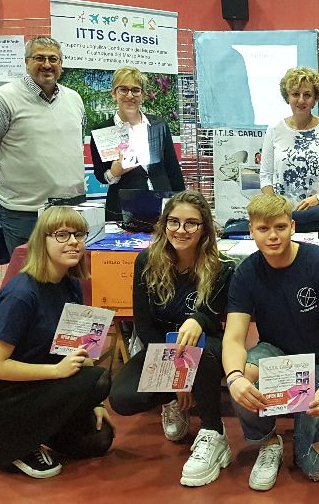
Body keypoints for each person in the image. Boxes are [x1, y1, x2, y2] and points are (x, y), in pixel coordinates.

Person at [0, 207, 114, 479]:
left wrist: (95, 403)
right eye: (62, 235)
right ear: (41, 241)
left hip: (43, 387)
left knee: (98, 440)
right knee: (99, 378)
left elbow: (80, 351)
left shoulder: (70, 284)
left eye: (79, 234)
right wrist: (56, 371)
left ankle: (32, 434)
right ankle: (3, 444)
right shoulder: (21, 295)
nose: (73, 242)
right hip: (5, 396)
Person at [108, 191, 235, 487]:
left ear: (204, 228)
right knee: (122, 398)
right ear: (164, 224)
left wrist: (198, 320)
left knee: (204, 353)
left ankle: (213, 431)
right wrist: (176, 378)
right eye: (174, 222)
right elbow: (144, 324)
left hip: (207, 348)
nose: (181, 230)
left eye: (191, 223)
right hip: (162, 347)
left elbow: (215, 317)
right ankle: (173, 400)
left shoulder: (222, 266)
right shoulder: (146, 261)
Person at [222, 193, 319, 490]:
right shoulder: (247, 272)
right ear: (251, 231)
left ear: (292, 226)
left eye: (280, 227)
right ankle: (268, 441)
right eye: (263, 229)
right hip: (275, 354)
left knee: (316, 469)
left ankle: (311, 413)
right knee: (241, 377)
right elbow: (234, 338)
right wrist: (234, 377)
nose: (273, 236)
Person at [0, 36, 86, 251]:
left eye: (53, 59)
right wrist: (4, 179)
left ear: (61, 63)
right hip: (25, 214)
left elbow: (77, 141)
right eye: (39, 58)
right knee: (29, 272)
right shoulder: (2, 100)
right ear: (26, 61)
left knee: (74, 271)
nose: (47, 65)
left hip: (73, 209)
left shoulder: (74, 99)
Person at [259, 67, 319, 233]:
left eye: (307, 95)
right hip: (283, 214)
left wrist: (317, 198)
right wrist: (275, 207)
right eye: (295, 94)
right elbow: (265, 176)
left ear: (315, 99)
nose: (301, 100)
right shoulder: (274, 129)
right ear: (287, 97)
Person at [89, 66, 185, 222]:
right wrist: (115, 172)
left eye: (135, 90)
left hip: (163, 205)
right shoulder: (102, 131)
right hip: (123, 208)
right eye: (123, 90)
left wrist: (181, 205)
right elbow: (100, 175)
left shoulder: (158, 125)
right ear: (113, 94)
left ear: (143, 95)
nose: (130, 95)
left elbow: (173, 169)